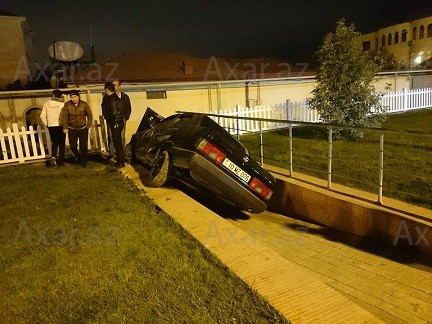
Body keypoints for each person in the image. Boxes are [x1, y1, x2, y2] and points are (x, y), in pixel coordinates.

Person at [61, 90, 93, 167]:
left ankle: (84, 162)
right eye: (72, 97)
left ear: (78, 97)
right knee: (73, 146)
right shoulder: (67, 105)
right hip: (72, 129)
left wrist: (88, 126)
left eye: (75, 97)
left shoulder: (84, 104)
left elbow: (89, 115)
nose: (74, 99)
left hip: (83, 128)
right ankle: (78, 156)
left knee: (83, 146)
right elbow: (64, 117)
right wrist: (65, 127)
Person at [102, 82, 126, 168]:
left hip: (115, 122)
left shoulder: (112, 99)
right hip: (119, 121)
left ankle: (121, 161)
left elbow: (114, 112)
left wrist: (108, 117)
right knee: (118, 142)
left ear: (107, 90)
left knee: (117, 142)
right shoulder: (116, 97)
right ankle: (120, 160)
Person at [40, 89, 66, 166]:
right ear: (60, 96)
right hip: (60, 125)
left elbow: (42, 116)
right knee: (61, 144)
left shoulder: (46, 104)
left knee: (54, 143)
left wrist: (47, 124)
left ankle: (53, 157)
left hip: (51, 125)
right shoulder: (62, 104)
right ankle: (61, 162)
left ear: (53, 95)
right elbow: (64, 115)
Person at [113, 79, 131, 147]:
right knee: (112, 137)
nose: (113, 87)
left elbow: (128, 108)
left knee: (122, 137)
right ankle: (113, 154)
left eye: (115, 85)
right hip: (113, 120)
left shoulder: (125, 97)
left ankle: (122, 152)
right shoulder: (110, 97)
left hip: (122, 119)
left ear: (119, 86)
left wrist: (126, 118)